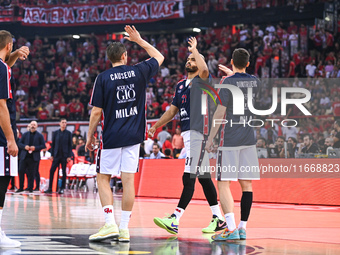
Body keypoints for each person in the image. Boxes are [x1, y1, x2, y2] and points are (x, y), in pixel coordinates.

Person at [86, 25, 164, 243]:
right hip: (134, 136)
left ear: (110, 58)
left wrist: (89, 136)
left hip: (111, 136)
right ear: (124, 55)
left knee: (103, 178)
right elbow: (159, 56)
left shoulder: (102, 78)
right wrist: (139, 40)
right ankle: (124, 229)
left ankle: (109, 224)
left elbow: (96, 112)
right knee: (128, 181)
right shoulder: (139, 71)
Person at [149, 37, 226, 235]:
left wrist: (196, 50)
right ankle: (218, 218)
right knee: (203, 178)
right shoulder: (181, 85)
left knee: (189, 176)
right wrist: (155, 126)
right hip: (188, 134)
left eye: (193, 60)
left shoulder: (201, 81)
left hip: (199, 133)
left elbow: (205, 70)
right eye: (189, 59)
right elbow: (171, 111)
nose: (190, 61)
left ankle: (175, 218)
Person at [205, 48, 261, 241]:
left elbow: (220, 113)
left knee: (223, 183)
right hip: (249, 139)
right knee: (246, 185)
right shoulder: (255, 81)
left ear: (231, 61)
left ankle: (230, 228)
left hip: (229, 139)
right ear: (248, 63)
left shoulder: (226, 83)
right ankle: (242, 228)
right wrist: (234, 76)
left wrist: (211, 137)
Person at [0, 29, 29, 248]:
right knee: (2, 182)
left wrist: (15, 55)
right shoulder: (2, 70)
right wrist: (11, 139)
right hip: (1, 136)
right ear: (8, 45)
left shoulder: (3, 66)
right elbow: (1, 105)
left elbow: (6, 66)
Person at [45, 118, 72, 194]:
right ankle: (50, 188)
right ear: (59, 123)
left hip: (64, 155)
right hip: (56, 155)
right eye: (63, 122)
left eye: (65, 122)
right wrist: (52, 155)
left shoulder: (68, 133)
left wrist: (69, 156)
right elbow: (53, 145)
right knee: (52, 171)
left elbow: (70, 146)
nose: (64, 124)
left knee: (63, 172)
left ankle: (62, 188)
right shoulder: (56, 133)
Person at [17, 121, 46, 192]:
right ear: (29, 125)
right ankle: (21, 187)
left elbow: (43, 145)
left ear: (37, 126)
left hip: (34, 157)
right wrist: (25, 147)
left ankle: (30, 188)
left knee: (32, 173)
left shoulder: (40, 135)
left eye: (34, 125)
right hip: (24, 156)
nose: (33, 126)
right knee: (21, 171)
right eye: (32, 125)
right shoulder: (25, 134)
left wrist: (35, 148)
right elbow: (19, 144)